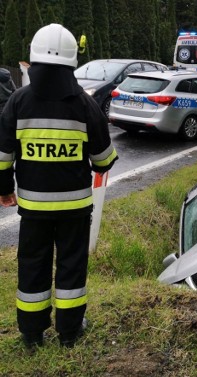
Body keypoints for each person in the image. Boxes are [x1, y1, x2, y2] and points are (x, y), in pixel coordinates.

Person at [0, 23, 118, 348]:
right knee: (71, 268)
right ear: (72, 60)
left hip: (34, 210)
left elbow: (2, 154)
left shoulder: (17, 102)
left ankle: (32, 334)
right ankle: (69, 332)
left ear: (32, 59)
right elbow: (104, 158)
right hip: (74, 210)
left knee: (32, 267)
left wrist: (4, 187)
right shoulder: (84, 104)